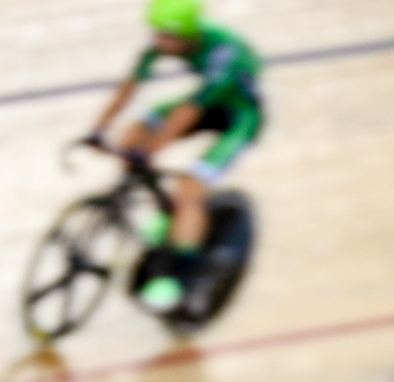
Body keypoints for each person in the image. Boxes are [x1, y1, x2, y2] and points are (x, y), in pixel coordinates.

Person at [85, 0, 262, 312]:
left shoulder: (224, 52)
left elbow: (190, 110)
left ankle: (178, 277)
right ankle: (162, 210)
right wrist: (98, 130)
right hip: (208, 105)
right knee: (137, 129)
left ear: (189, 34)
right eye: (157, 35)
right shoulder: (164, 42)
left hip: (239, 116)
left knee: (189, 187)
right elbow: (128, 87)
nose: (160, 43)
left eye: (168, 38)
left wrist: (152, 149)